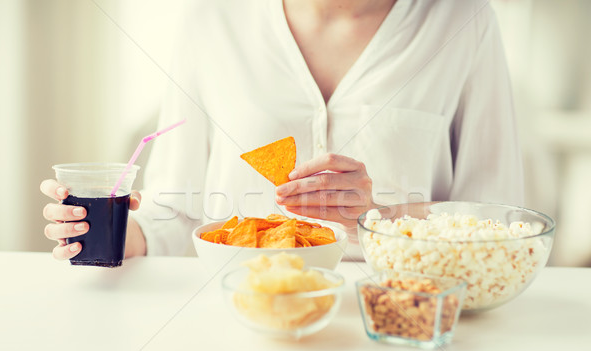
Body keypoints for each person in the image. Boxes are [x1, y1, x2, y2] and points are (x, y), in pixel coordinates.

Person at [41, 0, 523, 261]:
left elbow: (499, 221)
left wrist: (378, 216)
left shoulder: (465, 20)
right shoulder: (211, 20)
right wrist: (108, 231)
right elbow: (176, 214)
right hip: (237, 321)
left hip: (397, 318)